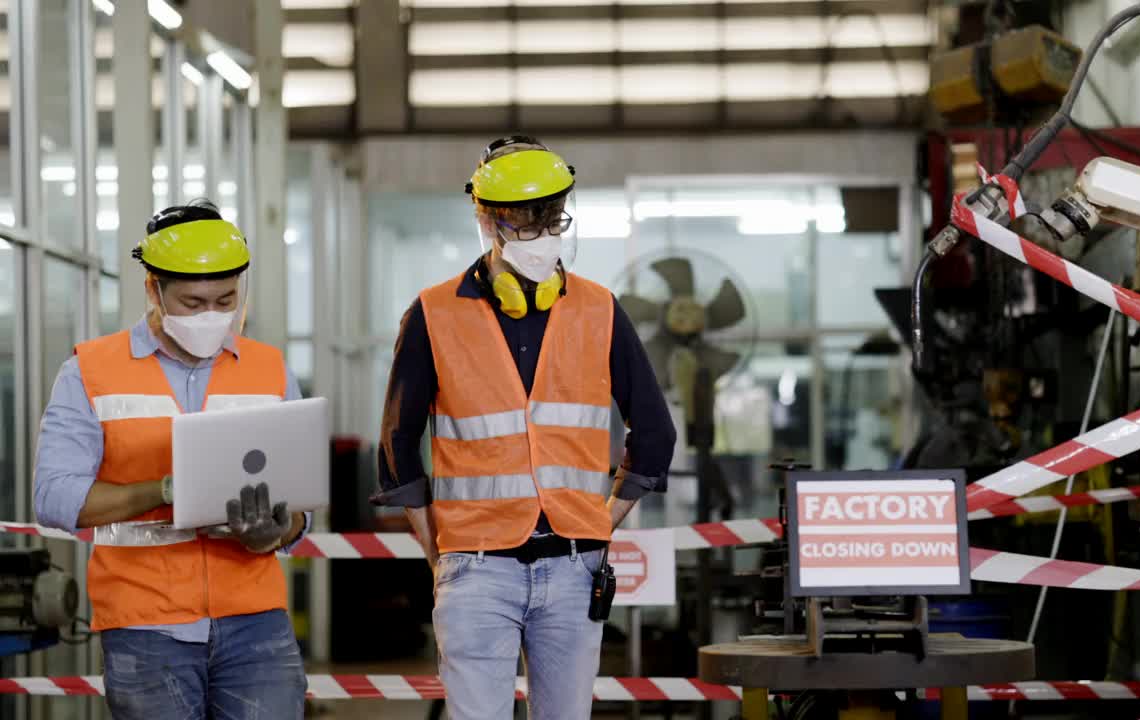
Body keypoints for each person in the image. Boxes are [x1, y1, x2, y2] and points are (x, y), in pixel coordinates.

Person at [374, 135, 676, 720]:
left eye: (550, 219)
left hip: (571, 564)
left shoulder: (599, 308)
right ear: (486, 220)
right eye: (523, 223)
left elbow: (656, 436)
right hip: (475, 568)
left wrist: (598, 521)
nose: (540, 235)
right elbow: (395, 448)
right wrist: (441, 555)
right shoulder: (434, 313)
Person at [34, 200, 311, 719]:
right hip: (146, 626)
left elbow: (299, 507)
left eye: (225, 299)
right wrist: (162, 492)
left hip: (256, 622)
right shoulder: (89, 371)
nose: (211, 315)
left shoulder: (271, 370)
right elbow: (54, 497)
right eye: (192, 302)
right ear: (152, 290)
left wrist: (273, 531)